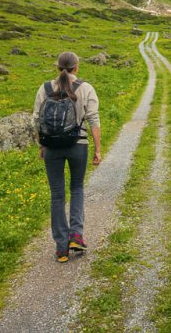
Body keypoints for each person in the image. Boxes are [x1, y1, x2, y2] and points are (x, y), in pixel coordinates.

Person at [32, 51, 101, 263]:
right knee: (77, 188)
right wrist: (98, 149)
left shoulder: (45, 88)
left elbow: (36, 120)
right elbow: (93, 119)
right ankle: (76, 237)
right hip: (78, 145)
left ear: (57, 67)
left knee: (57, 195)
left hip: (52, 147)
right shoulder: (85, 88)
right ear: (76, 67)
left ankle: (61, 248)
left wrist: (42, 145)